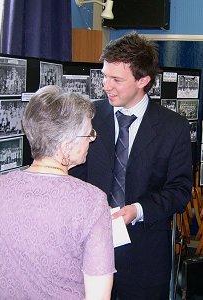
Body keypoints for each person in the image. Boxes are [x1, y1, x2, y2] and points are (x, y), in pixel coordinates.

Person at [70, 32, 193, 300]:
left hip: (145, 256)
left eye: (116, 79)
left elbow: (180, 190)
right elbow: (73, 178)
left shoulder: (174, 128)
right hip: (85, 251)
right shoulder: (88, 117)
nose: (106, 86)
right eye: (104, 76)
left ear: (143, 80)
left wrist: (136, 211)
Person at [0, 85, 116, 300]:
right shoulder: (92, 201)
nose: (92, 139)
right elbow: (99, 296)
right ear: (67, 144)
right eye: (89, 133)